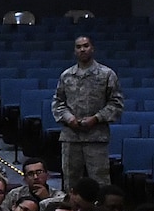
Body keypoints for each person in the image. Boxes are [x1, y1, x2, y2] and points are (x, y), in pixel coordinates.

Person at [51, 36, 122, 192]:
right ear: (75, 51)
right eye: (78, 47)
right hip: (71, 137)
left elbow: (116, 104)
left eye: (86, 46)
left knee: (100, 182)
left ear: (92, 48)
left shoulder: (107, 74)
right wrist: (70, 119)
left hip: (96, 137)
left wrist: (96, 118)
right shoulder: (66, 75)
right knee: (70, 182)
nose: (82, 49)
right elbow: (58, 103)